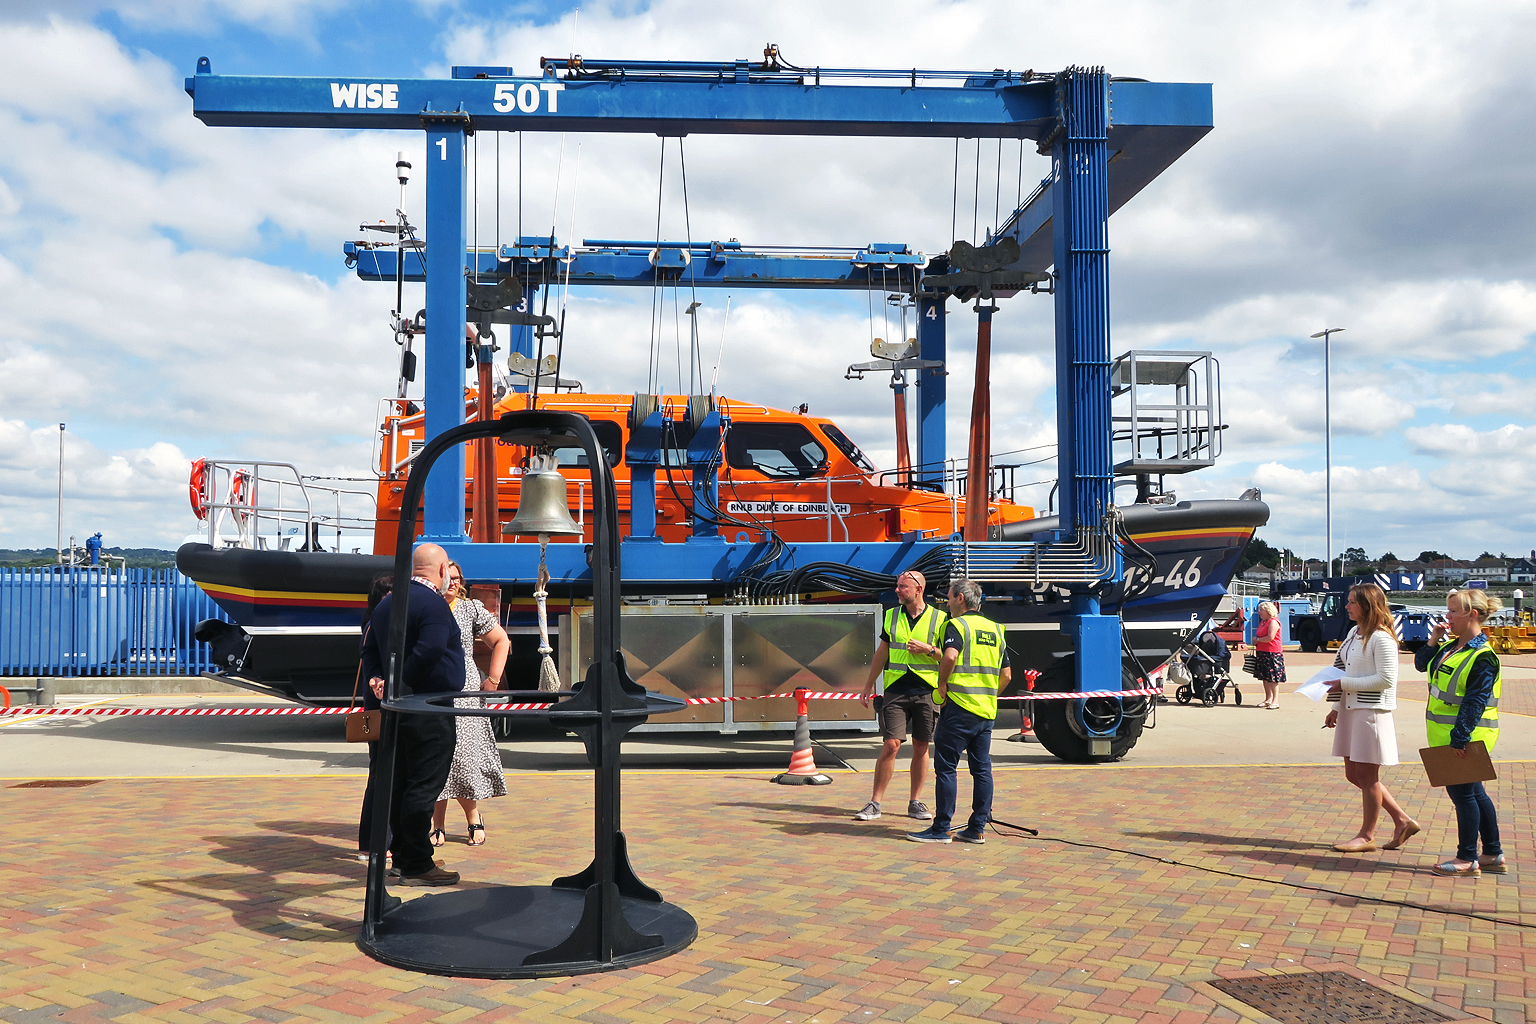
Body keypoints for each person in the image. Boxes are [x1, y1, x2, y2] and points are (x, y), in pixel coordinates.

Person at [359, 542, 463, 886]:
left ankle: (405, 857)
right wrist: (399, 682)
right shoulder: (433, 604)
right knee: (423, 785)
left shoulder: (387, 603)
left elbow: (370, 649)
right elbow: (430, 649)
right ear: (441, 569)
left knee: (400, 782)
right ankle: (417, 863)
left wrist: (380, 680)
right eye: (448, 568)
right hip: (427, 708)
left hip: (395, 710)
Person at [907, 578, 1010, 845]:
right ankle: (977, 829)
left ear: (960, 599)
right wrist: (988, 695)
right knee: (982, 769)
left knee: (946, 768)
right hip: (986, 712)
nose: (947, 602)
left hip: (959, 708)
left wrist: (941, 686)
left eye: (950, 597)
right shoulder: (997, 629)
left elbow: (950, 656)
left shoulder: (956, 625)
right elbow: (1007, 675)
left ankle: (941, 829)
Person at [1323, 583, 1419, 853]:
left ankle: (1367, 836)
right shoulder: (1354, 632)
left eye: (1352, 602)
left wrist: (1343, 685)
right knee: (1354, 774)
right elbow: (1341, 667)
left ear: (1367, 606)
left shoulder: (1382, 638)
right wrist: (1336, 707)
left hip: (1371, 712)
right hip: (1351, 710)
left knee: (1367, 775)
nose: (1347, 606)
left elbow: (1386, 679)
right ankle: (1402, 820)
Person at [1417, 589, 1505, 877]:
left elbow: (1475, 701)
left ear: (1472, 615)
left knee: (1463, 795)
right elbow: (1421, 664)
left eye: (1454, 611)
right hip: (1446, 735)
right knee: (1475, 792)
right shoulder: (1452, 647)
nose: (1448, 616)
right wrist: (1433, 640)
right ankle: (1492, 852)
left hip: (1466, 736)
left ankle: (1467, 858)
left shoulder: (1483, 657)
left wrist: (1461, 739)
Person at [854, 570, 946, 822]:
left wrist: (929, 650)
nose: (897, 590)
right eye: (897, 586)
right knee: (891, 744)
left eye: (902, 587)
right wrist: (868, 685)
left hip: (927, 691)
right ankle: (875, 802)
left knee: (921, 746)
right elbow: (881, 653)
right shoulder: (891, 615)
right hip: (896, 690)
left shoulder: (940, 618)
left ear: (918, 590)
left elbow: (948, 656)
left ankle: (915, 801)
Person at [432, 561, 511, 847]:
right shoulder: (428, 606)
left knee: (465, 757)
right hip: (432, 687)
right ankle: (436, 823)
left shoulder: (471, 608)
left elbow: (501, 640)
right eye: (447, 577)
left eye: (457, 578)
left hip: (464, 688)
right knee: (437, 756)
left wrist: (492, 679)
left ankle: (473, 817)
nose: (452, 582)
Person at [356, 573, 392, 861]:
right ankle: (374, 842)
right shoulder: (376, 624)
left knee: (380, 772)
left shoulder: (371, 622)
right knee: (381, 772)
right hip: (379, 708)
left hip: (375, 707)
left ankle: (374, 841)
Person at [1253, 601, 1286, 709]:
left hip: (1272, 653)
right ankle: (1267, 699)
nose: (1259, 612)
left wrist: (1258, 640)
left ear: (1268, 610)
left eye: (1261, 610)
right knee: (1265, 677)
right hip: (1262, 652)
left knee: (1273, 678)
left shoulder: (1273, 622)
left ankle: (1275, 701)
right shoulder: (1263, 622)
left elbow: (1270, 637)